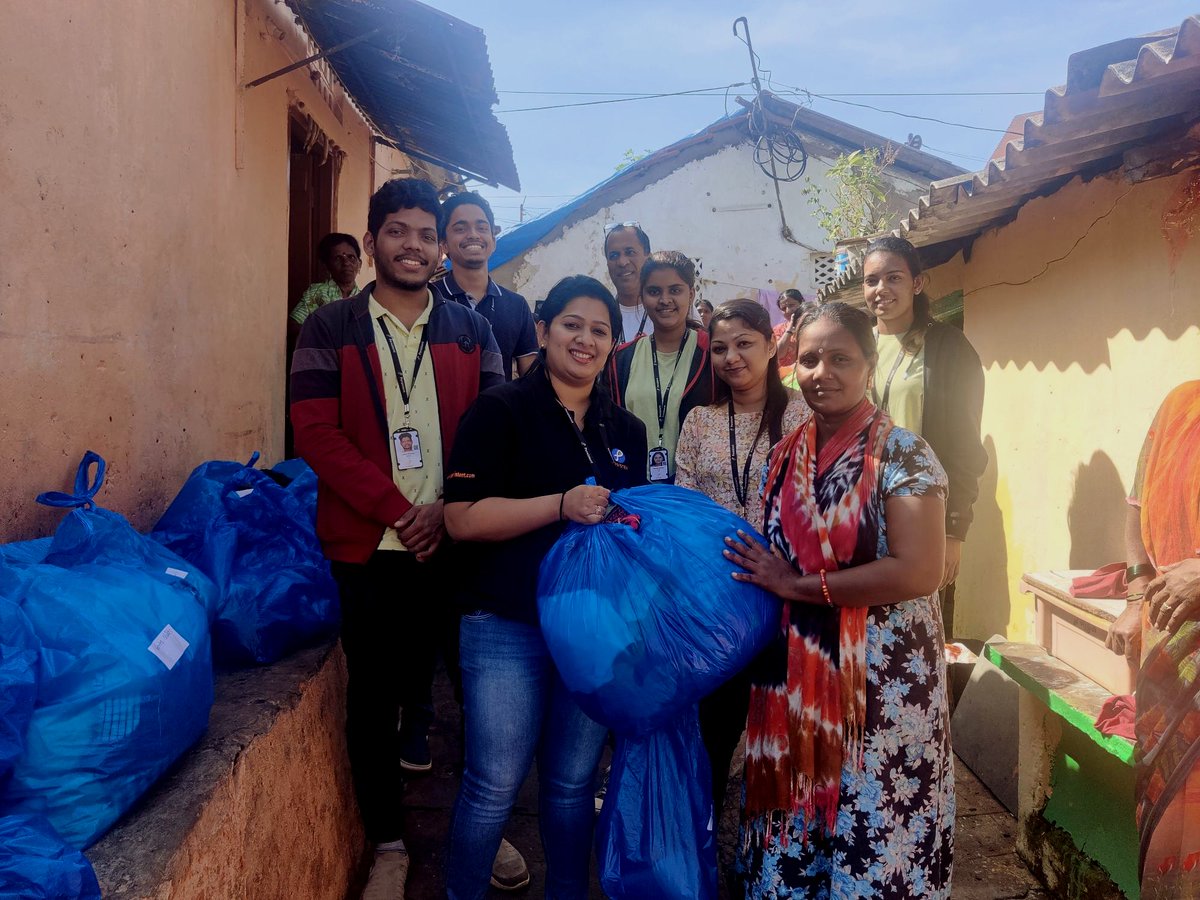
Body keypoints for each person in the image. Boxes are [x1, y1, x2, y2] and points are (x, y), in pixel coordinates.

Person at [290, 177, 504, 899]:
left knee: (481, 696)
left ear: (441, 248)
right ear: (373, 239)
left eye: (425, 234)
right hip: (367, 551)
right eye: (397, 231)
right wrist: (400, 509)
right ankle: (387, 842)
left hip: (458, 545)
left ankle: (487, 826)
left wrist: (447, 507)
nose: (413, 245)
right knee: (374, 703)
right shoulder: (330, 327)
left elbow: (492, 432)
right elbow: (314, 432)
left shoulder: (471, 332)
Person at [723, 302, 953, 897]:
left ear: (869, 365)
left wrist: (799, 587)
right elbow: (771, 556)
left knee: (872, 813)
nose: (822, 372)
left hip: (878, 683)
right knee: (794, 818)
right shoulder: (784, 455)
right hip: (793, 676)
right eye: (809, 359)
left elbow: (918, 571)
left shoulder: (903, 454)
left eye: (840, 358)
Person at [443, 275, 648, 900]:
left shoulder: (627, 431)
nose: (585, 340)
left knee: (571, 784)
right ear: (543, 330)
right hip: (506, 624)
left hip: (591, 630)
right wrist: (560, 504)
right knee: (493, 784)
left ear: (612, 344)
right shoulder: (500, 410)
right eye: (571, 325)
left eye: (599, 330)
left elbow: (630, 529)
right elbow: (462, 519)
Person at [673, 298, 809, 827]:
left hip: (788, 598)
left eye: (745, 344)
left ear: (772, 345)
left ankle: (771, 854)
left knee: (781, 736)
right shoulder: (700, 421)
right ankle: (701, 846)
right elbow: (685, 508)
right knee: (713, 732)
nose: (731, 357)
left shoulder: (803, 415)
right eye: (720, 348)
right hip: (717, 603)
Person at [1104, 381, 1200, 899]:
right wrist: (1137, 594)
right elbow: (1137, 504)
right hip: (1169, 653)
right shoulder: (1181, 405)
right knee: (1166, 818)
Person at [863, 235, 986, 636]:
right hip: (860, 513)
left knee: (916, 633)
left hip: (922, 517)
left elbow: (965, 444)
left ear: (917, 283)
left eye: (893, 277)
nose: (881, 289)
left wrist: (954, 530)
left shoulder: (948, 348)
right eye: (871, 280)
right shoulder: (855, 343)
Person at [606, 250, 714, 483]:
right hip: (636, 488)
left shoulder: (712, 353)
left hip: (696, 490)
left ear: (691, 294)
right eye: (654, 291)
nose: (665, 300)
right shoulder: (621, 359)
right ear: (642, 296)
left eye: (675, 290)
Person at [433, 191, 538, 381]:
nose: (473, 235)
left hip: (499, 402)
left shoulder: (517, 306)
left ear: (493, 241)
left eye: (481, 228)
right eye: (460, 228)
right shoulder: (430, 299)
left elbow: (531, 380)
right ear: (444, 244)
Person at [289, 232, 362, 333]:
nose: (346, 263)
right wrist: (322, 336)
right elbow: (294, 324)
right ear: (326, 266)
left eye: (351, 257)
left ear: (359, 264)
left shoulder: (365, 298)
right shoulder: (317, 293)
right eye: (338, 258)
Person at [603, 222, 652, 343]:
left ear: (648, 258)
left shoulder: (671, 309)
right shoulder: (601, 315)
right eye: (614, 255)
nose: (622, 262)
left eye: (630, 252)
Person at [772, 288, 806, 369]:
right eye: (783, 308)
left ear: (802, 303)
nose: (787, 311)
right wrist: (789, 329)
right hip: (785, 374)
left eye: (791, 305)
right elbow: (778, 354)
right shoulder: (778, 330)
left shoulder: (813, 326)